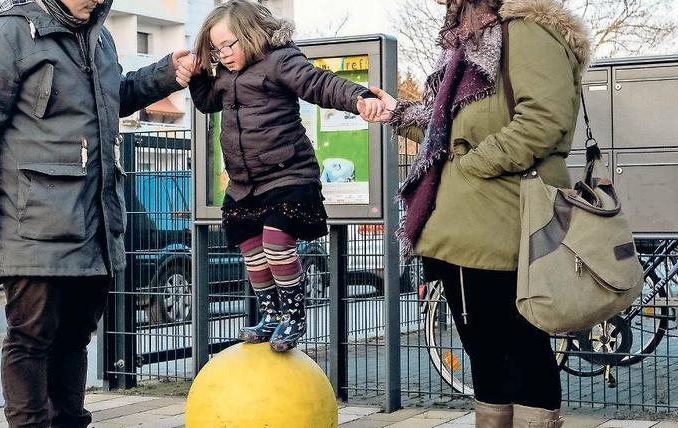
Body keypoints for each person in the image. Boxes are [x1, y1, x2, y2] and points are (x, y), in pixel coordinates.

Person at [0, 0, 196, 426]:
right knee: (31, 339)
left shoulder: (100, 36)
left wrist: (165, 73)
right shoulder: (8, 33)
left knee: (76, 337)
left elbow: (112, 98)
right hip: (34, 222)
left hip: (95, 219)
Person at [363, 0, 591, 425]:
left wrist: (473, 165)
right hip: (465, 230)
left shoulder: (524, 29)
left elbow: (544, 117)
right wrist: (398, 113)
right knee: (485, 354)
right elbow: (448, 128)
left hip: (506, 224)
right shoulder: (471, 40)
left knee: (522, 349)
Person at [187, 0, 385, 352]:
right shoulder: (225, 76)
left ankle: (293, 315)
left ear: (250, 34)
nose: (225, 54)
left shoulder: (280, 60)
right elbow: (206, 102)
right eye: (217, 50)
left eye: (230, 45)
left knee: (277, 243)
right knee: (252, 251)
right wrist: (198, 71)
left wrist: (358, 96)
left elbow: (319, 84)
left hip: (288, 175)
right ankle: (270, 315)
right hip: (245, 183)